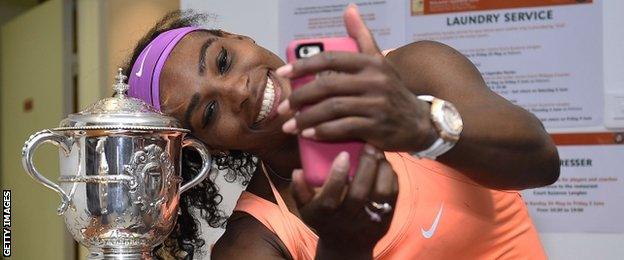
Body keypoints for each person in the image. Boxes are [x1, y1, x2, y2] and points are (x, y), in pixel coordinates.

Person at [123, 4, 559, 260]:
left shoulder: (412, 72)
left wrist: (422, 126)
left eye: (222, 60)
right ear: (211, 145)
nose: (240, 89)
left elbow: (540, 161)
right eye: (211, 111)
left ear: (241, 39)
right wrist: (342, 246)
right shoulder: (255, 240)